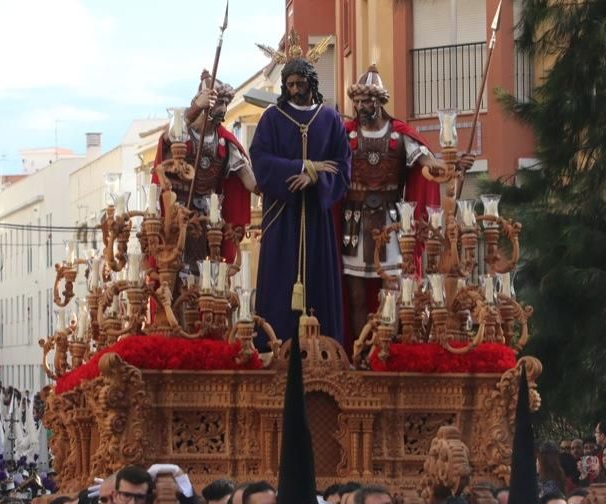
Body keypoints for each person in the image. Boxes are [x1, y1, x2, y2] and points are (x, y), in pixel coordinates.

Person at [338, 64, 447, 345]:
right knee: (357, 295)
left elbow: (426, 160)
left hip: (391, 221)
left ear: (379, 102)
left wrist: (445, 164)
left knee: (393, 290)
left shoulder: (399, 136)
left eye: (366, 101)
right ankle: (360, 352)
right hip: (354, 222)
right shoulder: (344, 135)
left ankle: (388, 349)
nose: (360, 106)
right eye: (357, 101)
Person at [250, 53, 351, 349]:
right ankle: (276, 346)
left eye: (300, 83)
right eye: (290, 84)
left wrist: (316, 178)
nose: (295, 89)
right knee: (279, 284)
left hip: (318, 219)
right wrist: (306, 167)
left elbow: (342, 166)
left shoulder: (330, 118)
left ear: (311, 82)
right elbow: (261, 160)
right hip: (283, 217)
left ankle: (324, 349)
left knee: (319, 285)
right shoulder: (271, 118)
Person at [152, 70, 257, 269]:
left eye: (226, 103)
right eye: (218, 101)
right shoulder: (182, 130)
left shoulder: (226, 142)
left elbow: (251, 181)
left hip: (209, 220)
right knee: (175, 272)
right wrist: (194, 109)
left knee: (206, 279)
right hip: (178, 215)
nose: (223, 108)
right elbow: (167, 139)